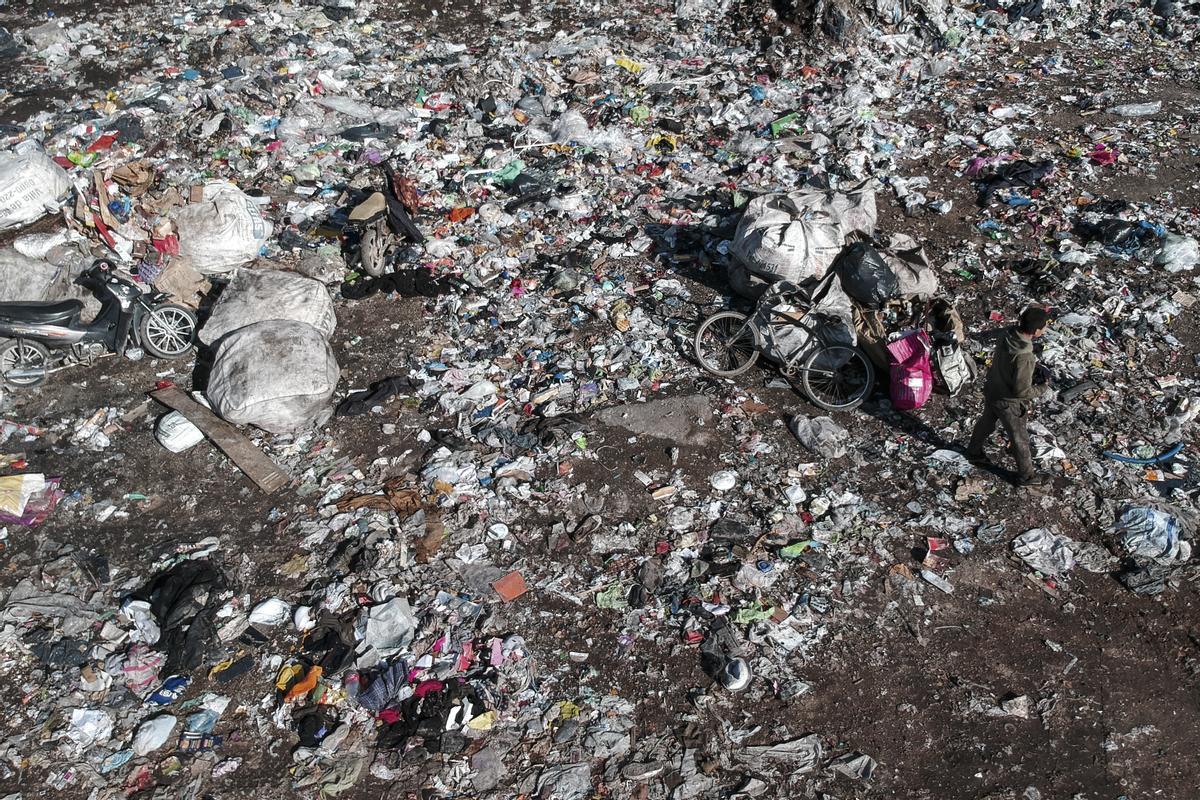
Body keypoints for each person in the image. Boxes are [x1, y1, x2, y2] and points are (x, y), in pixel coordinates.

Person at [965, 306, 1052, 487]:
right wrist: (1042, 388)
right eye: (1044, 327)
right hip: (1008, 402)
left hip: (992, 388)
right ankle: (1027, 477)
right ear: (1036, 332)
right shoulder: (1025, 357)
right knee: (1019, 438)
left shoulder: (1007, 333)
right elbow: (1021, 391)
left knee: (986, 422)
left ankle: (973, 452)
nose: (1045, 329)